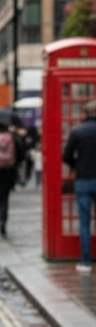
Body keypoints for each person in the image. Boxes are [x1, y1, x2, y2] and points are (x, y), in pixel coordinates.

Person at [62, 99, 96, 272]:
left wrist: (78, 165)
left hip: (83, 180)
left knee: (84, 222)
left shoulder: (78, 131)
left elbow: (66, 155)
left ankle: (85, 261)